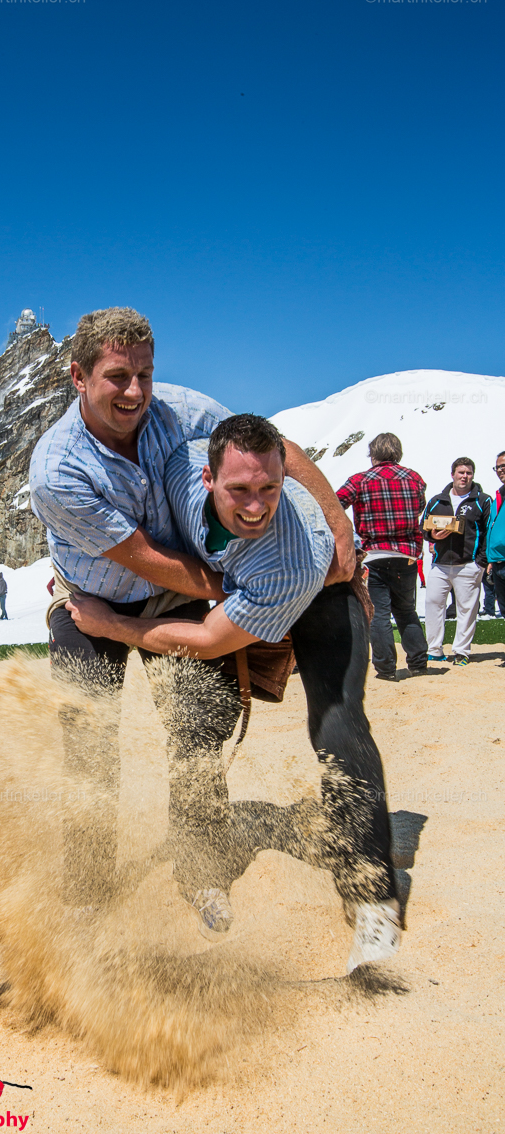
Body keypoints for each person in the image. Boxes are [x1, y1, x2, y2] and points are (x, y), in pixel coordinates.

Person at [29, 307, 356, 938]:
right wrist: (252, 595)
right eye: (117, 376)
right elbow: (145, 558)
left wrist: (337, 524)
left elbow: (275, 449)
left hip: (175, 597)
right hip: (90, 600)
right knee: (89, 743)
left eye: (145, 374)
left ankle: (201, 870)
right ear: (78, 376)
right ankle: (88, 891)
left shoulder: (179, 408)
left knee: (199, 730)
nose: (135, 392)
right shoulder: (57, 470)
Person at [69, 416, 401, 972]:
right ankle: (202, 871)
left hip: (320, 583)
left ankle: (373, 898)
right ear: (207, 478)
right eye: (239, 489)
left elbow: (206, 639)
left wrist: (111, 626)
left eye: (269, 488)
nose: (254, 505)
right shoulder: (179, 464)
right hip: (239, 584)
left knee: (338, 723)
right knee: (199, 720)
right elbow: (277, 445)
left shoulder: (289, 563)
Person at [336, 432, 429, 681]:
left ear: (373, 454)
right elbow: (420, 507)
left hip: (374, 555)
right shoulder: (414, 478)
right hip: (406, 555)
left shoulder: (359, 481)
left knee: (379, 614)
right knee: (406, 611)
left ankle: (386, 669)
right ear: (398, 452)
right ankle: (418, 663)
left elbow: (335, 504)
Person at [422, 458, 491, 666]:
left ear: (473, 475)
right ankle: (434, 650)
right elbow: (424, 527)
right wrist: (433, 536)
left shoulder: (482, 500)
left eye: (468, 473)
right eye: (461, 472)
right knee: (433, 604)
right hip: (440, 564)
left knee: (466, 610)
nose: (464, 476)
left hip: (469, 564)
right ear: (452, 474)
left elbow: (488, 532)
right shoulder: (437, 500)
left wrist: (480, 562)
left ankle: (461, 652)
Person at [485, 450, 505, 619]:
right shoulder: (498, 496)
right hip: (498, 562)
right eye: (497, 467)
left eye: (504, 466)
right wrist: (491, 558)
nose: (500, 470)